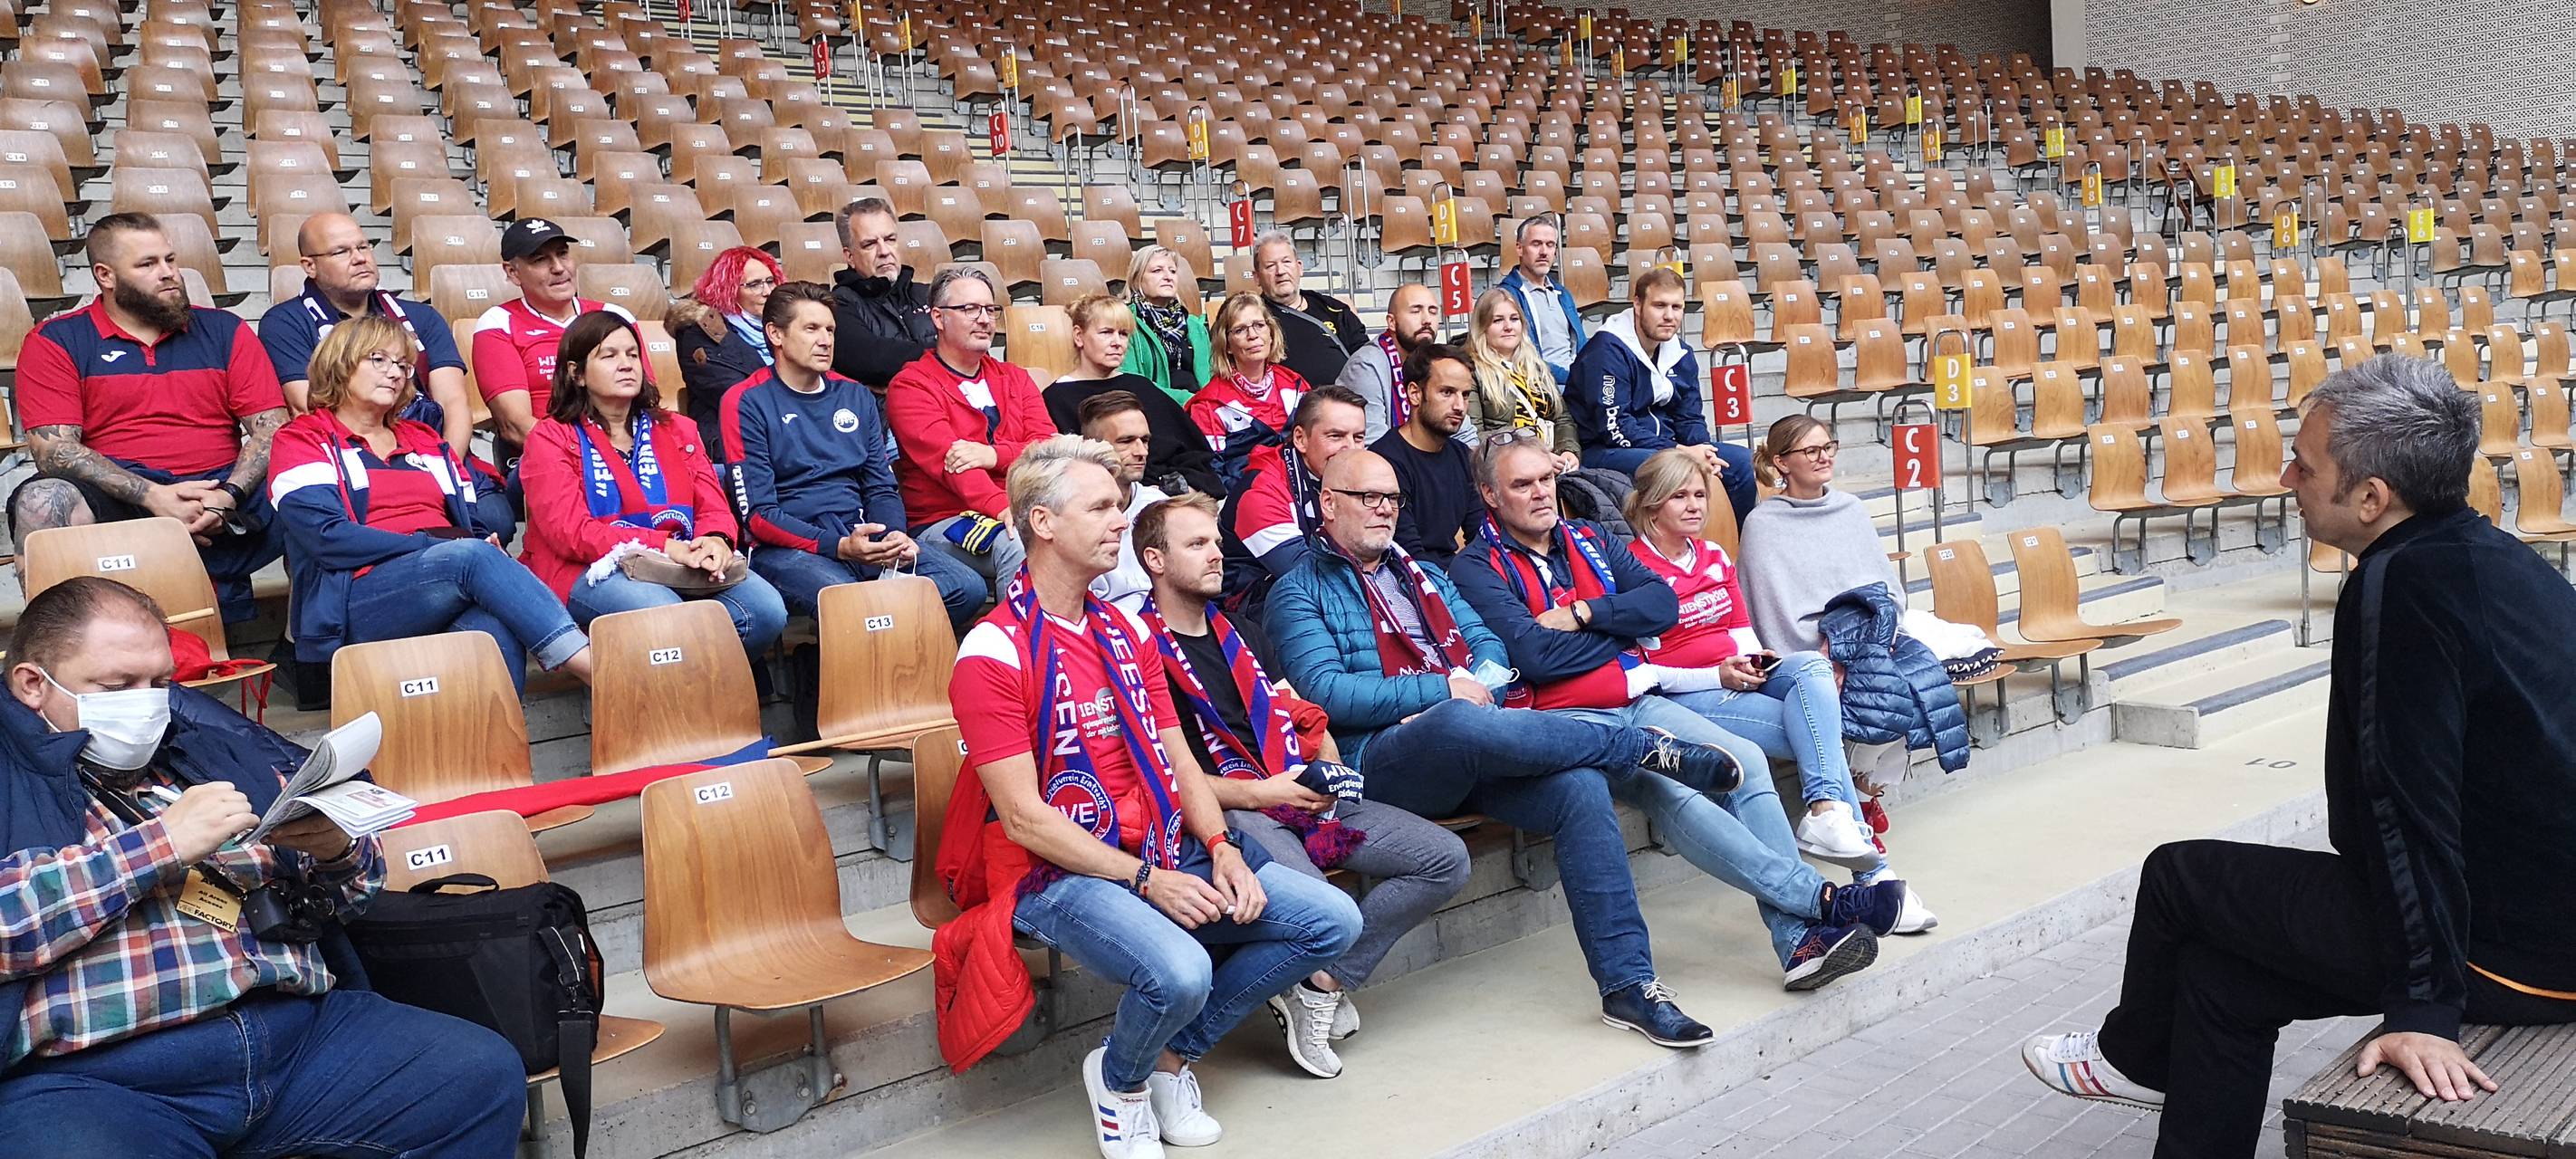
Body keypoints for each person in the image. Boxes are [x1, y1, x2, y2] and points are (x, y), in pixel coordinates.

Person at [2023, 356, 2576, 1158]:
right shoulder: (2486, 553)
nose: (2285, 476)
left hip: (2510, 949)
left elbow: (2408, 804)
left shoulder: (2402, 588)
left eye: (2305, 465)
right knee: (2220, 981)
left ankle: (2134, 1059)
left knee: (2178, 878)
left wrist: (2424, 1011)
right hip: (2541, 921)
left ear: (2370, 497)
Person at [933, 436, 1362, 1159]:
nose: (1117, 521)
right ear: (1041, 523)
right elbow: (1024, 819)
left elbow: (1176, 758)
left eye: (1119, 505)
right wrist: (1145, 880)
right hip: (1053, 868)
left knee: (1331, 922)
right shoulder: (992, 651)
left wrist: (1222, 847)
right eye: (1100, 506)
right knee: (1181, 969)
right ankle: (1122, 1083)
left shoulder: (1130, 628)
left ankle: (1166, 1058)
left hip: (1164, 841)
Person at [0, 577, 526, 1153]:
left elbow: (354, 900)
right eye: (119, 685)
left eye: (160, 682)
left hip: (294, 1039)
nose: (148, 703)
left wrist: (337, 851)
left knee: (476, 1074)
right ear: (32, 684)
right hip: (99, 1079)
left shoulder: (208, 748)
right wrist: (160, 846)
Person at [1265, 449, 1744, 1046]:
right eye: (1369, 498)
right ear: (1328, 503)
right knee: (1450, 722)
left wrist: (1476, 683)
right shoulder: (1296, 592)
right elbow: (1327, 691)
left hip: (1478, 740)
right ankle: (1632, 746)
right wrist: (1445, 688)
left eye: (1392, 498)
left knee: (1579, 789)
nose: (1384, 510)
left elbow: (1490, 646)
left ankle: (1629, 985)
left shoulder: (1424, 573)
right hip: (1385, 762)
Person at [1448, 435, 1930, 991]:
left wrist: (1584, 613)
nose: (1540, 494)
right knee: (1678, 793)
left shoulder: (1590, 535)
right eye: (1521, 484)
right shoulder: (1476, 566)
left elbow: (1659, 608)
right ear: (1489, 494)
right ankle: (1814, 910)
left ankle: (1802, 937)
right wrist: (1624, 632)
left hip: (1638, 696)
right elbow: (1534, 655)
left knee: (1744, 760)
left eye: (1546, 479)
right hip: (1574, 720)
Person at [1126, 492, 1470, 1078]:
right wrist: (1268, 794)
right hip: (1236, 809)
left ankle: (1321, 981)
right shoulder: (1137, 648)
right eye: (1197, 544)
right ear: (1155, 561)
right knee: (1321, 904)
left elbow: (1302, 715)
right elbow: (1169, 778)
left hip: (1296, 793)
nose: (1217, 554)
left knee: (1445, 859)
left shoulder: (1240, 629)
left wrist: (1328, 773)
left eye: (1216, 541)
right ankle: (1295, 975)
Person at [270, 317, 594, 692]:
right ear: (341, 362)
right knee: (471, 558)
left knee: (492, 627)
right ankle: (591, 667)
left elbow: (469, 523)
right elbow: (328, 538)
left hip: (442, 577)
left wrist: (474, 544)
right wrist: (436, 547)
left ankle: (500, 746)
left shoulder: (425, 440)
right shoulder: (302, 440)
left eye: (403, 366)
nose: (395, 374)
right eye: (379, 360)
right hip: (354, 596)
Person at [12, 214, 289, 624]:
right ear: (105, 275)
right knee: (42, 498)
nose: (168, 274)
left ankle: (308, 651)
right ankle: (59, 647)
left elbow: (272, 429)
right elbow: (53, 451)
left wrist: (228, 494)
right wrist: (153, 496)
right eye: (148, 264)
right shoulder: (57, 341)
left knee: (325, 473)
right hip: (126, 500)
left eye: (170, 260)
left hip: (224, 493)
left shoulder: (225, 329)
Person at [1620, 447, 1881, 867]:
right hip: (1691, 694)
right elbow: (1643, 672)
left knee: (1811, 666)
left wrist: (1752, 659)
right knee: (1822, 737)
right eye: (1680, 496)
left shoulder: (1713, 554)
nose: (1695, 506)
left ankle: (1827, 813)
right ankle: (1876, 874)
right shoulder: (1631, 569)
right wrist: (1717, 675)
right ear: (1652, 505)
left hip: (1738, 676)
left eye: (1700, 495)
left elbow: (1740, 629)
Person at [721, 282, 986, 632]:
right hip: (790, 546)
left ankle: (874, 659)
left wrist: (891, 536)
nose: (826, 340)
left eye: (830, 329)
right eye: (811, 328)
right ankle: (842, 670)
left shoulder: (855, 395)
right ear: (776, 334)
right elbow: (758, 516)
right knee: (850, 600)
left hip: (861, 533)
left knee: (965, 587)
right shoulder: (745, 401)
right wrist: (839, 546)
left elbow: (880, 486)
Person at [521, 311, 787, 655]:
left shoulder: (678, 429)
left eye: (632, 354)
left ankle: (685, 682)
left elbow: (712, 504)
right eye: (609, 355)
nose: (627, 364)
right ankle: (681, 698)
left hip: (683, 560)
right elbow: (570, 533)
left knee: (765, 610)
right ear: (577, 373)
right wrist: (664, 546)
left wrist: (716, 541)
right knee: (666, 613)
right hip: (589, 567)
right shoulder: (550, 437)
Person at [1738, 414, 1940, 818]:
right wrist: (1826, 657)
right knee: (1876, 684)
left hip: (1869, 631)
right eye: (1810, 450)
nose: (1822, 457)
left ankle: (1867, 786)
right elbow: (1770, 610)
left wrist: (1876, 634)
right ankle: (1857, 796)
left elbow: (1885, 585)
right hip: (1810, 647)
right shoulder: (1762, 524)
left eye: (1827, 447)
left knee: (1923, 673)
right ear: (1781, 462)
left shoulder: (1851, 508)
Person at [887, 268, 1054, 600]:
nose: (984, 320)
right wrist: (1009, 509)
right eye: (969, 310)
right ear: (938, 317)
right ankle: (1018, 646)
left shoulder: (1015, 378)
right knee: (1019, 543)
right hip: (944, 520)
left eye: (989, 310)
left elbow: (1048, 449)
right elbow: (958, 470)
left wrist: (994, 455)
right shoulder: (912, 386)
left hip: (1019, 506)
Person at [258, 211, 474, 452]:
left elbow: (454, 403)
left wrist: (447, 469)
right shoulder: (285, 323)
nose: (360, 258)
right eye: (341, 252)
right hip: (346, 457)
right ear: (310, 266)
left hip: (437, 450)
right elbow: (309, 407)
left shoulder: (423, 317)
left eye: (363, 247)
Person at [1566, 267, 1754, 516]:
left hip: (1665, 446)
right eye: (1659, 306)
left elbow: (1689, 418)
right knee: (1675, 469)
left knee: (1741, 463)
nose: (1669, 316)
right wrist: (1680, 452)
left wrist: (1704, 451)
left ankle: (1733, 548)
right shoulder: (1606, 351)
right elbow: (1614, 427)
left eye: (1676, 307)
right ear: (1637, 305)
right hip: (1607, 449)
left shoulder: (1681, 353)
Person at [469, 217, 633, 462]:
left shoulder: (615, 317)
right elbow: (516, 426)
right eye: (540, 260)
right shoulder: (498, 323)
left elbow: (646, 402)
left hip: (626, 452)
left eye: (563, 254)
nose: (558, 268)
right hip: (549, 461)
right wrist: (592, 458)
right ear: (513, 272)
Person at [1043, 293, 1222, 498]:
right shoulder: (1056, 398)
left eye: (1124, 334)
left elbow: (1195, 456)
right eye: (1106, 332)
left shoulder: (1141, 386)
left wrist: (1172, 489)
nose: (1117, 342)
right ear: (1079, 336)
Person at [1219, 385, 1369, 601]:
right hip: (1254, 606)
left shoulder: (1358, 478)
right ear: (1300, 439)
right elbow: (1305, 577)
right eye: (1335, 436)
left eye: (1358, 437)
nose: (1350, 448)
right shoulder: (1260, 491)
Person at [1370, 344, 1481, 567]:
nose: (1460, 406)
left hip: (1455, 575)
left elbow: (1481, 536)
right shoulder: (1385, 461)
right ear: (1414, 394)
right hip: (1407, 582)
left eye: (1465, 395)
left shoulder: (1462, 456)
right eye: (1447, 392)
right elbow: (1406, 554)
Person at [668, 245, 783, 459]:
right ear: (729, 289)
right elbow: (735, 394)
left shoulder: (786, 324)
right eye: (754, 285)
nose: (767, 291)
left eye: (770, 281)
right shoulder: (699, 332)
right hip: (733, 438)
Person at [1188, 292, 1311, 493]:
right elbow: (1213, 474)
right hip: (1247, 497)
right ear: (1226, 345)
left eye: (1259, 325)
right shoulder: (1210, 405)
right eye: (1240, 330)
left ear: (1271, 334)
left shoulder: (1295, 384)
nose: (1253, 335)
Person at [1465, 288, 1582, 474]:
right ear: (1482, 327)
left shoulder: (1537, 366)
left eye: (1514, 319)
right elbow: (1475, 437)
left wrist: (1568, 450)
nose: (1508, 327)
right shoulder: (1470, 371)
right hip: (1506, 469)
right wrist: (1534, 456)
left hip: (1553, 460)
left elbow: (1562, 418)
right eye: (1497, 320)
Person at [828, 196, 938, 393]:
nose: (884, 251)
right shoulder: (838, 304)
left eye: (890, 239)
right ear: (850, 257)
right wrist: (944, 354)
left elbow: (970, 348)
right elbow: (869, 359)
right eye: (870, 244)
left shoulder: (929, 294)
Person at [1079, 391, 1174, 605]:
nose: (1141, 452)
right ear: (1092, 447)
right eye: (1126, 441)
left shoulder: (1159, 505)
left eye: (1145, 440)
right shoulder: (1069, 513)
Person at [1250, 234, 1366, 388]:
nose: (1280, 271)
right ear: (1257, 277)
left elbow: (1365, 356)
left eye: (1286, 262)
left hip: (1349, 400)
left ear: (1300, 268)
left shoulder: (1332, 308)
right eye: (1270, 266)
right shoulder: (1255, 320)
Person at [1331, 283, 1442, 441]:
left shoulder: (1439, 363)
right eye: (1416, 311)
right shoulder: (1366, 365)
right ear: (1391, 322)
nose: (1427, 320)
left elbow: (1464, 433)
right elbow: (1372, 443)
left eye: (1433, 312)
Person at [1118, 246, 1212, 408]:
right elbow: (1131, 382)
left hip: (1203, 409)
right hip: (1156, 409)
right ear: (1137, 278)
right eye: (1157, 271)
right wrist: (1189, 400)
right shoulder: (1125, 322)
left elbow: (1214, 377)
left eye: (1173, 271)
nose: (1168, 277)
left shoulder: (1195, 326)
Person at [1498, 216, 1585, 385]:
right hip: (1541, 386)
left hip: (1575, 384)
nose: (1544, 252)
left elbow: (1581, 344)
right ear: (1520, 249)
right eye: (1536, 244)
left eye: (1550, 245)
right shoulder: (1507, 296)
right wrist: (1575, 380)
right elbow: (1520, 357)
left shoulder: (1562, 294)